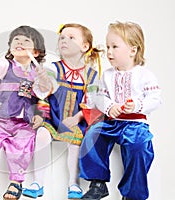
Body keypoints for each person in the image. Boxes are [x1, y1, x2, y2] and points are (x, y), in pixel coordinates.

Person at [79, 21, 162, 200]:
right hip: (113, 122)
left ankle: (132, 193)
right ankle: (97, 183)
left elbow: (155, 99)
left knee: (139, 147)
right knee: (93, 134)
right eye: (108, 46)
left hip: (135, 124)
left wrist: (138, 105)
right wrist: (109, 106)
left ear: (133, 50)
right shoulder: (107, 75)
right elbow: (99, 97)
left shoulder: (144, 75)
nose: (109, 52)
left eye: (115, 47)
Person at [22, 23, 104, 199]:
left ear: (85, 46)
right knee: (42, 135)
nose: (64, 40)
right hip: (53, 118)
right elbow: (43, 92)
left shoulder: (91, 75)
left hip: (75, 120)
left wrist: (77, 118)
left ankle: (73, 184)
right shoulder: (53, 68)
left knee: (75, 144)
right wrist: (43, 81)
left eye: (71, 37)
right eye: (62, 38)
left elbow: (92, 102)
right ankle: (38, 182)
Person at [0, 25, 46, 200]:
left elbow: (43, 97)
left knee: (22, 145)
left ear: (35, 52)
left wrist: (40, 115)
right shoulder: (7, 66)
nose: (19, 42)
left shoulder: (39, 73)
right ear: (11, 48)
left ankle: (16, 183)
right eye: (16, 40)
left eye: (26, 40)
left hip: (24, 123)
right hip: (1, 121)